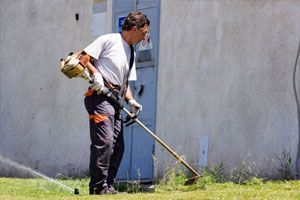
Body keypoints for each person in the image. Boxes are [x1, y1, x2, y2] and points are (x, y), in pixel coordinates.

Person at [82, 11, 150, 195]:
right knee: (104, 142)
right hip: (99, 97)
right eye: (144, 33)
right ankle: (97, 186)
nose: (145, 37)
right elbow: (82, 57)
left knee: (118, 146)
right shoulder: (108, 40)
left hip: (115, 100)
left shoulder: (131, 53)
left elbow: (125, 82)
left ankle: (107, 186)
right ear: (135, 28)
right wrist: (96, 74)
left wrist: (131, 100)